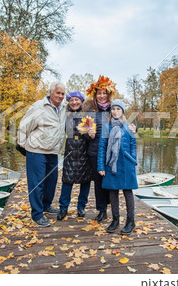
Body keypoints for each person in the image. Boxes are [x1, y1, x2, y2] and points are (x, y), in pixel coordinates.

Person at [83, 75, 136, 223]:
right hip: (96, 151)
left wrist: (133, 129)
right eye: (99, 93)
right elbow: (84, 130)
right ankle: (102, 210)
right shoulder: (90, 111)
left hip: (114, 153)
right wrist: (89, 135)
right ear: (95, 95)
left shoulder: (115, 109)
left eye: (104, 93)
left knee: (111, 183)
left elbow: (126, 124)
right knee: (99, 183)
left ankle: (114, 211)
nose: (101, 96)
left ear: (108, 94)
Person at [17, 81, 66, 227]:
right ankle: (37, 214)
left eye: (63, 94)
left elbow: (82, 106)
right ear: (50, 93)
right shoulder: (39, 106)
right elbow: (23, 126)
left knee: (51, 181)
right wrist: (23, 146)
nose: (60, 96)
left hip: (53, 151)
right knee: (37, 183)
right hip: (36, 150)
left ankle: (46, 205)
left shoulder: (64, 108)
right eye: (57, 93)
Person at [97, 99, 138, 234]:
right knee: (112, 192)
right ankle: (115, 219)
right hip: (111, 164)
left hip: (126, 164)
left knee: (127, 192)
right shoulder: (106, 127)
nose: (115, 112)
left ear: (123, 111)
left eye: (118, 109)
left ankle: (130, 221)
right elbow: (102, 147)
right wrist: (101, 165)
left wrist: (133, 161)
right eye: (113, 109)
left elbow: (133, 145)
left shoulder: (129, 127)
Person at [57, 91, 91, 220]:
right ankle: (63, 208)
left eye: (77, 100)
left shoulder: (87, 116)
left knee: (85, 181)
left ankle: (81, 207)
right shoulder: (64, 115)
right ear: (68, 102)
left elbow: (90, 135)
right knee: (67, 181)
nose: (74, 102)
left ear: (81, 101)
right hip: (70, 152)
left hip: (84, 152)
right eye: (71, 100)